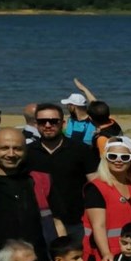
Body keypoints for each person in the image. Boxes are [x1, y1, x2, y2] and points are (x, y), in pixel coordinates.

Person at [0, 128, 57, 261]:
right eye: (4, 148)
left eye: (17, 148)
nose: (11, 154)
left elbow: (57, 222)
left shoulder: (36, 180)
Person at [27, 103, 98, 242]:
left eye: (53, 121)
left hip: (75, 221)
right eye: (42, 121)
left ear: (63, 123)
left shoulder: (81, 150)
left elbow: (95, 185)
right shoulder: (27, 152)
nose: (48, 125)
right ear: (36, 124)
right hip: (38, 221)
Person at [82, 136, 131, 261]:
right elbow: (98, 225)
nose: (118, 160)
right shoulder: (96, 188)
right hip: (107, 254)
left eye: (124, 157)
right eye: (113, 156)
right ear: (105, 158)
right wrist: (106, 253)